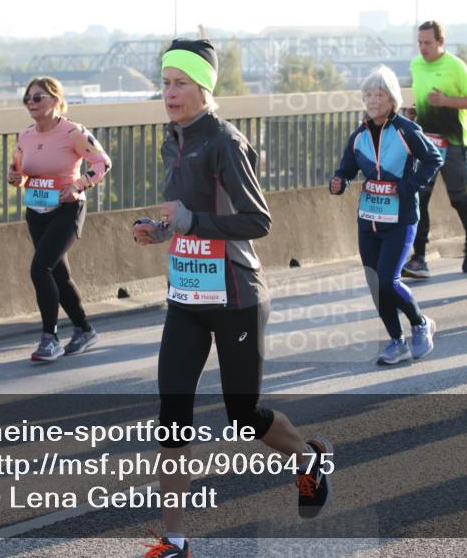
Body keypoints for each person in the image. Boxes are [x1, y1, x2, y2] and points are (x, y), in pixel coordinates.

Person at [133, 39, 332, 558]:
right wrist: (158, 231)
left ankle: (308, 459)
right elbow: (183, 214)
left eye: (180, 83)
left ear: (204, 88)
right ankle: (174, 540)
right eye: (165, 82)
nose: (169, 92)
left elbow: (256, 221)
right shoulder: (172, 139)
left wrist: (190, 221)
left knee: (243, 417)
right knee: (172, 410)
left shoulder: (224, 141)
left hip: (236, 297)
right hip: (186, 298)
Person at [330, 65, 443, 364]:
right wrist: (339, 181)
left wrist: (408, 187)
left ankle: (420, 323)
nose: (372, 100)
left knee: (388, 280)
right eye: (368, 94)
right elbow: (347, 168)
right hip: (369, 219)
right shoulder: (359, 135)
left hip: (401, 219)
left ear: (392, 98)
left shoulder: (406, 130)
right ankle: (397, 342)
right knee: (375, 284)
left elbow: (434, 159)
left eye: (378, 94)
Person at [8, 77, 111, 362]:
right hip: (36, 211)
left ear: (55, 100)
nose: (31, 103)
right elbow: (18, 168)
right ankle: (84, 329)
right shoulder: (25, 135)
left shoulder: (73, 132)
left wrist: (78, 185)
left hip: (67, 210)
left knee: (40, 269)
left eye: (37, 98)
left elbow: (103, 162)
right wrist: (15, 178)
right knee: (59, 275)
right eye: (27, 98)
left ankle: (49, 338)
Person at [402, 20, 467, 278]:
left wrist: (446, 101)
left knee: (458, 198)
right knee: (420, 198)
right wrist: (414, 110)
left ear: (440, 42)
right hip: (426, 143)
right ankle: (420, 257)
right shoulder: (416, 65)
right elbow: (422, 97)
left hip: (453, 142)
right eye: (420, 43)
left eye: (428, 43)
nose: (423, 48)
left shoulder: (456, 66)